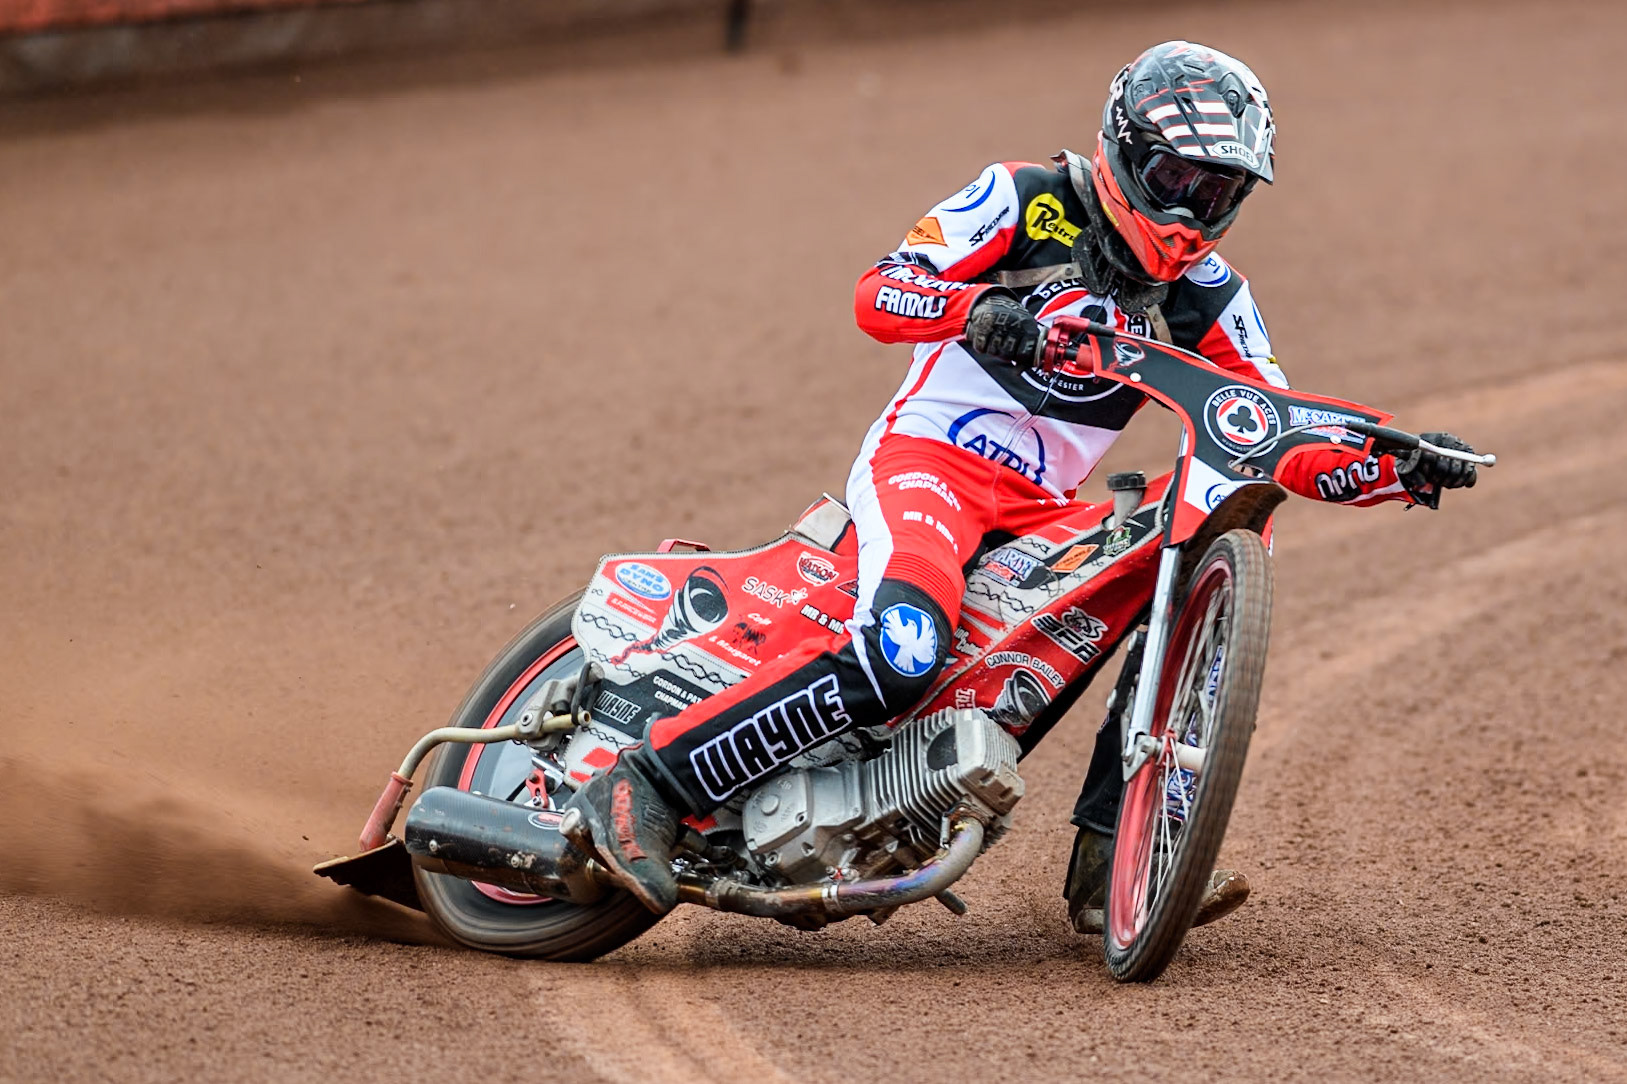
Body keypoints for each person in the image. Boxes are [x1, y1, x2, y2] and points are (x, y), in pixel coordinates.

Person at [564, 41, 1477, 926]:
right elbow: (879, 291)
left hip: (1043, 513)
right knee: (904, 655)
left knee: (1191, 527)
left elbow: (1270, 431)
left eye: (1220, 192)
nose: (1192, 214)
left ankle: (1111, 847)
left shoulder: (1214, 295)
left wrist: (1390, 462)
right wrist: (977, 311)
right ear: (1122, 148)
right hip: (931, 465)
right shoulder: (1023, 195)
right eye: (1177, 181)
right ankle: (647, 782)